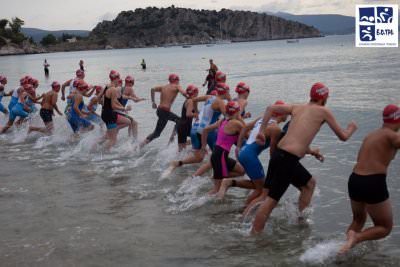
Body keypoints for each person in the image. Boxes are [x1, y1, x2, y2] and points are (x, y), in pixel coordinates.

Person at [251, 82, 358, 234]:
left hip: (279, 155)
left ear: (311, 96)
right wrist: (352, 127)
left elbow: (270, 108)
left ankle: (300, 223)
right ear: (324, 98)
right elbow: (343, 136)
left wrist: (261, 131)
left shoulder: (297, 107)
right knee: (271, 201)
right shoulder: (323, 111)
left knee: (309, 184)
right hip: (287, 159)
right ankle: (253, 235)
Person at [339, 104, 400, 253]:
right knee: (385, 227)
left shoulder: (371, 135)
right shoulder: (392, 136)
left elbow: (360, 158)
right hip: (373, 182)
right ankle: (356, 238)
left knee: (358, 220)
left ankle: (342, 250)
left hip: (355, 180)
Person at [217, 101, 288, 202]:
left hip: (243, 152)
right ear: (281, 113)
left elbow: (245, 127)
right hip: (249, 156)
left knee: (257, 185)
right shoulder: (275, 129)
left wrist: (238, 146)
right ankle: (243, 211)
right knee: (260, 189)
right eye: (286, 112)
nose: (288, 114)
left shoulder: (262, 119)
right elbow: (272, 154)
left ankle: (230, 183)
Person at [167, 82, 230, 174]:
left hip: (195, 129)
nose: (229, 93)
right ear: (225, 92)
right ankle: (216, 175)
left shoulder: (209, 97)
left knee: (198, 158)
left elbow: (194, 100)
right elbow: (228, 117)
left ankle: (178, 163)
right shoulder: (220, 102)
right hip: (207, 132)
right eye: (228, 92)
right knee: (219, 156)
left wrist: (196, 112)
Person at [202, 101, 245, 195]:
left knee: (241, 171)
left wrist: (203, 147)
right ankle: (201, 202)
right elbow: (248, 134)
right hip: (220, 156)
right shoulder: (237, 123)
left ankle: (217, 177)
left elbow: (205, 130)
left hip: (218, 155)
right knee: (217, 190)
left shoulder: (222, 121)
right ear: (237, 112)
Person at [141, 74, 187, 147]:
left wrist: (153, 102)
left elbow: (152, 89)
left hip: (160, 110)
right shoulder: (177, 86)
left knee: (157, 133)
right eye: (178, 80)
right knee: (180, 121)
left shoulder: (164, 87)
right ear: (176, 80)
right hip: (164, 111)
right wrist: (191, 99)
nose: (179, 82)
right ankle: (171, 140)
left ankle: (140, 146)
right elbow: (184, 93)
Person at [100, 70, 131, 150]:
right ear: (115, 79)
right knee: (113, 140)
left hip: (105, 113)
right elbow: (113, 106)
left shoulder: (107, 87)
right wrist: (124, 108)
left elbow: (99, 98)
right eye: (119, 79)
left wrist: (122, 108)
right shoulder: (113, 89)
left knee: (128, 121)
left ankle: (94, 147)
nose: (119, 81)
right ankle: (103, 153)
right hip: (109, 114)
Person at [176, 84, 198, 151]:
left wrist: (199, 113)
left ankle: (176, 159)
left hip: (181, 125)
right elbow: (188, 114)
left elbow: (192, 112)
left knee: (181, 149)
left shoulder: (188, 100)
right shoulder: (190, 101)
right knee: (199, 138)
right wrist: (197, 115)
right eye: (197, 92)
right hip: (184, 126)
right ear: (195, 93)